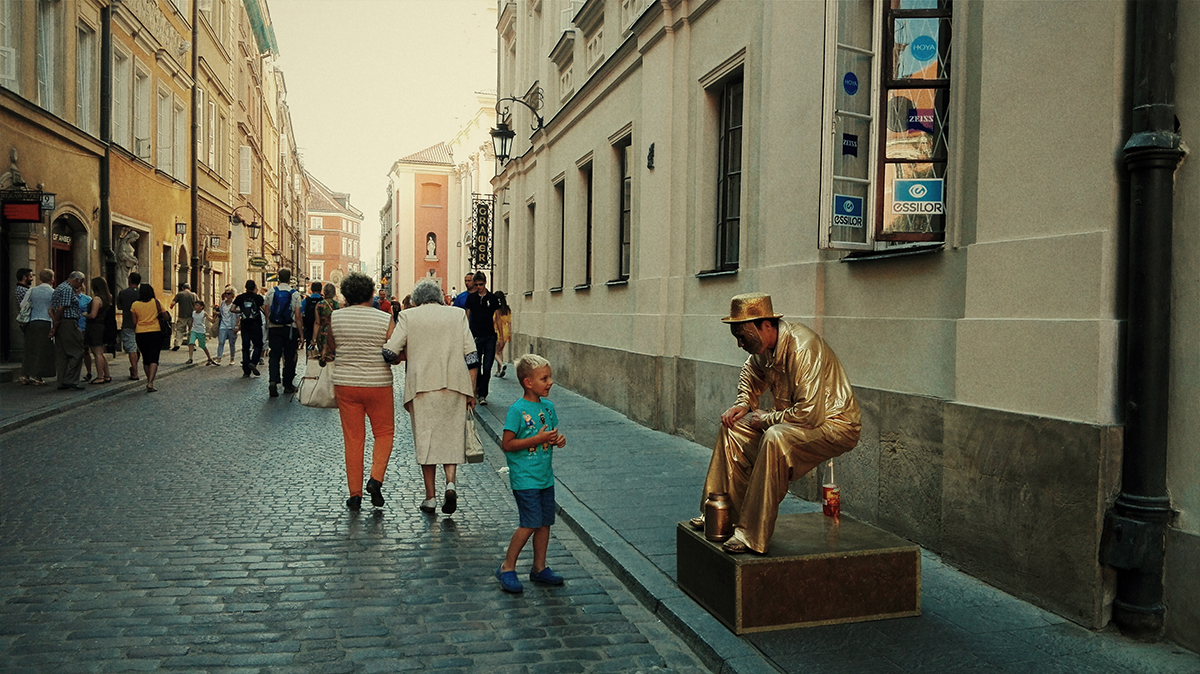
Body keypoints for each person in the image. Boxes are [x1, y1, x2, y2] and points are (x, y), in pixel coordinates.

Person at [691, 293, 861, 555]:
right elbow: (750, 374)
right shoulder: (763, 349)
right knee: (732, 426)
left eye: (743, 337)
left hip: (834, 424)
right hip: (794, 419)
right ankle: (718, 512)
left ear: (766, 326)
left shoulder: (802, 348)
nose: (739, 344)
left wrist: (766, 419)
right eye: (737, 338)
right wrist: (743, 404)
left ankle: (751, 535)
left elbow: (810, 414)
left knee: (775, 438)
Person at [382, 278, 478, 517]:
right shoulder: (457, 315)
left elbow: (390, 352)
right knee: (451, 436)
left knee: (426, 440)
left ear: (416, 300)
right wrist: (471, 390)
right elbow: (472, 356)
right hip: (455, 384)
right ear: (439, 296)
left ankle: (430, 497)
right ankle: (451, 483)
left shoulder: (408, 317)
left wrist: (406, 354)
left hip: (422, 386)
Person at [495, 353, 569, 593]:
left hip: (545, 477)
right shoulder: (517, 410)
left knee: (545, 523)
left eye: (549, 377)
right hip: (525, 478)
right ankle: (507, 567)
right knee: (529, 523)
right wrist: (536, 439)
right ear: (528, 382)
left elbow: (553, 433)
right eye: (544, 378)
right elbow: (507, 444)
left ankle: (539, 568)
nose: (550, 382)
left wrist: (558, 439)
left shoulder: (548, 407)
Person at [325, 272, 396, 512]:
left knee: (353, 439)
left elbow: (332, 347)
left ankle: (354, 494)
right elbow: (394, 350)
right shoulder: (384, 318)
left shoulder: (336, 317)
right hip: (378, 383)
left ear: (346, 294)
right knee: (384, 433)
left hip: (346, 383)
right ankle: (376, 479)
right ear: (371, 294)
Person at [264, 268, 303, 397]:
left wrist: (268, 325)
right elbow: (297, 315)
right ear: (289, 278)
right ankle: (288, 385)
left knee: (274, 355)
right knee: (289, 357)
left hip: (274, 327)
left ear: (278, 278)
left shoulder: (270, 292)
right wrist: (301, 334)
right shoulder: (295, 294)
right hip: (290, 328)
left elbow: (267, 311)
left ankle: (273, 380)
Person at [464, 271, 501, 405]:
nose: (478, 287)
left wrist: (501, 337)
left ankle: (483, 394)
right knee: (476, 366)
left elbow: (497, 318)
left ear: (485, 283)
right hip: (476, 336)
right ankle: (478, 391)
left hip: (490, 336)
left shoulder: (492, 298)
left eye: (480, 284)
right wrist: (466, 334)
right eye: (476, 284)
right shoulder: (471, 298)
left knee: (487, 367)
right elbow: (467, 317)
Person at [48, 271, 87, 391]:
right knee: (77, 351)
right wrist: (56, 324)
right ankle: (71, 380)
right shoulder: (67, 289)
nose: (80, 286)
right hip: (68, 323)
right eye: (80, 282)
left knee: (62, 354)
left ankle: (62, 381)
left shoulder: (59, 287)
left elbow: (51, 309)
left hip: (62, 323)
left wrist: (55, 323)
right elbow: (61, 308)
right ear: (77, 280)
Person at [20, 269, 56, 386]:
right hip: (46, 322)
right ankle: (38, 377)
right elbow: (54, 308)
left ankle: (25, 375)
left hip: (32, 322)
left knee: (30, 349)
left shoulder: (32, 290)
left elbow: (23, 305)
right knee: (43, 350)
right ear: (51, 279)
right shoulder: (53, 292)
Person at [129, 283, 166, 392]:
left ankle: (148, 380)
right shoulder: (156, 302)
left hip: (141, 333)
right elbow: (165, 315)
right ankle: (151, 382)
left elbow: (134, 322)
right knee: (154, 357)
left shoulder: (135, 305)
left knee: (146, 358)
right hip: (155, 332)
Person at [84, 277, 114, 384]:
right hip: (102, 325)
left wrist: (84, 315)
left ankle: (100, 376)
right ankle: (106, 375)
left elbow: (93, 315)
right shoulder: (108, 297)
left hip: (95, 327)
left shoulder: (97, 299)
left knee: (97, 353)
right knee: (101, 352)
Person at [234, 279, 265, 378]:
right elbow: (265, 309)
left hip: (245, 324)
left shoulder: (240, 297)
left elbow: (232, 309)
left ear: (245, 287)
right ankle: (254, 362)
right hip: (255, 324)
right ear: (254, 287)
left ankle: (246, 370)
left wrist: (241, 312)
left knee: (245, 346)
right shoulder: (258, 298)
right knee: (258, 345)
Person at [116, 271, 143, 380]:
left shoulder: (123, 292)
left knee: (132, 349)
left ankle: (135, 372)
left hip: (128, 323)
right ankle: (134, 368)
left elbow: (119, 306)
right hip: (142, 324)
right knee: (137, 348)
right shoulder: (142, 293)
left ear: (129, 280)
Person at [186, 300, 216, 365]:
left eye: (197, 305)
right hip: (194, 330)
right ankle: (190, 358)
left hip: (201, 331)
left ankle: (209, 358)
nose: (195, 307)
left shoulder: (204, 313)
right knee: (191, 343)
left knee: (203, 346)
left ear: (201, 307)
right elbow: (192, 321)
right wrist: (190, 329)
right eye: (195, 305)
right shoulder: (193, 313)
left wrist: (215, 316)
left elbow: (211, 320)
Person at [313, 282, 339, 357]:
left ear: (324, 292)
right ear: (334, 292)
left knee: (323, 356)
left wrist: (314, 339)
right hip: (334, 332)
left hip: (322, 333)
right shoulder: (337, 305)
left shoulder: (319, 305)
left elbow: (317, 323)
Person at [169, 283, 197, 350]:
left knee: (179, 330)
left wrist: (171, 307)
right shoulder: (194, 295)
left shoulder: (180, 294)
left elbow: (172, 303)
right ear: (190, 288)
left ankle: (177, 344)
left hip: (182, 315)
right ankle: (191, 344)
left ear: (182, 288)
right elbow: (198, 304)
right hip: (192, 316)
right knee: (191, 330)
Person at [215, 288, 239, 365]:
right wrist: (216, 313)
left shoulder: (235, 304)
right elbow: (221, 313)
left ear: (232, 295)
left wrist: (237, 326)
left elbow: (238, 316)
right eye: (225, 293)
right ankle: (218, 358)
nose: (226, 295)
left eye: (228, 294)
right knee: (221, 341)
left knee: (232, 343)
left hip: (232, 326)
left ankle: (232, 359)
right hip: (223, 325)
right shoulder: (222, 303)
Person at [493, 291, 512, 378]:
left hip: (497, 331)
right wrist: (509, 334)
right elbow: (509, 322)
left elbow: (495, 321)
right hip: (506, 331)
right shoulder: (507, 309)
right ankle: (498, 371)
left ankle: (502, 364)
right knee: (500, 352)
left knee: (494, 353)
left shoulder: (496, 309)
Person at [300, 281, 323, 352]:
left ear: (311, 290)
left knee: (309, 347)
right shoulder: (323, 301)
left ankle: (309, 359)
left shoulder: (306, 301)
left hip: (308, 328)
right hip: (321, 329)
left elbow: (300, 314)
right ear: (321, 290)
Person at [77, 288, 93, 381]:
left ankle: (89, 372)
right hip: (73, 327)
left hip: (84, 326)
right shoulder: (69, 297)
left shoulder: (87, 299)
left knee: (86, 350)